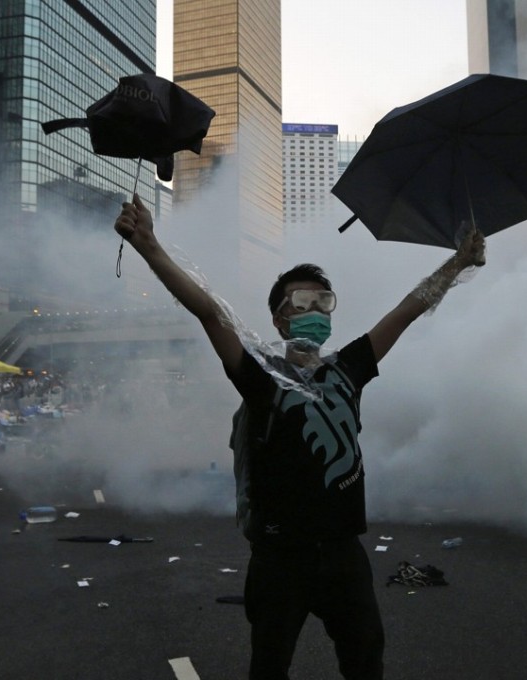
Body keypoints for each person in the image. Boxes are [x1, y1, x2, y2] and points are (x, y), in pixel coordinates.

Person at [114, 194, 485, 679]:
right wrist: (150, 249)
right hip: (279, 558)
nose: (315, 309)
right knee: (269, 667)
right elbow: (209, 311)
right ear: (279, 317)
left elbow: (408, 310)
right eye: (302, 301)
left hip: (343, 554)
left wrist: (457, 264)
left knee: (365, 660)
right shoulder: (260, 377)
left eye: (323, 301)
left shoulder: (348, 369)